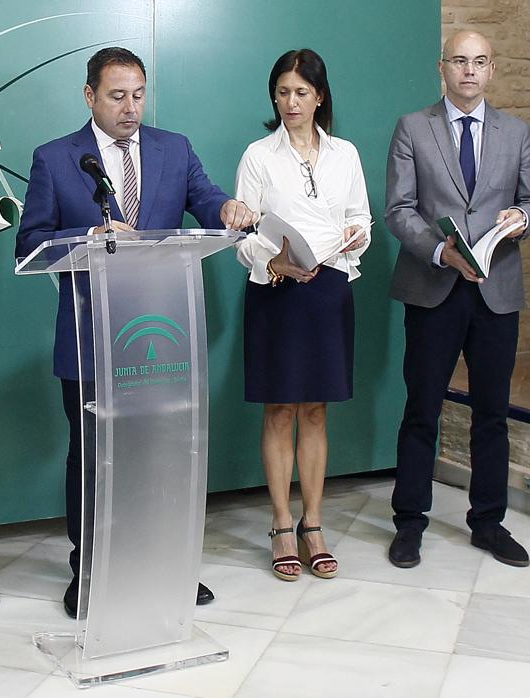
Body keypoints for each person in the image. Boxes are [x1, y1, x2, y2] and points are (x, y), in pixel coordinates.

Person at [16, 47, 254, 618]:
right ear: (89, 95)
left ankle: (163, 564)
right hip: (90, 340)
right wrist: (92, 234)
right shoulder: (56, 158)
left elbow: (207, 199)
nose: (130, 108)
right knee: (92, 460)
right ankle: (90, 570)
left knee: (160, 456)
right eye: (117, 95)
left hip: (161, 337)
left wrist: (228, 210)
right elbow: (30, 242)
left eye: (139, 95)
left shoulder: (174, 148)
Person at [385, 30, 530, 569]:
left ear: (492, 70)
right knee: (421, 410)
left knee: (492, 414)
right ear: (442, 67)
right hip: (434, 287)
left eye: (479, 62)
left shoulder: (516, 132)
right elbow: (399, 209)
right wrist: (440, 252)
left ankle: (489, 523)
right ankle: (409, 524)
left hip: (496, 293)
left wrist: (523, 220)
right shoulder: (413, 127)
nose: (469, 71)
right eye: (460, 61)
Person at [234, 49, 371, 582]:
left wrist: (359, 234)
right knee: (281, 411)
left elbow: (361, 217)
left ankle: (315, 524)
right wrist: (273, 262)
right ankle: (282, 524)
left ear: (320, 97)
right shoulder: (258, 155)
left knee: (316, 409)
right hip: (277, 291)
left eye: (301, 92)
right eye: (283, 92)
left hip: (331, 287)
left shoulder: (345, 154)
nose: (291, 102)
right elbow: (242, 234)